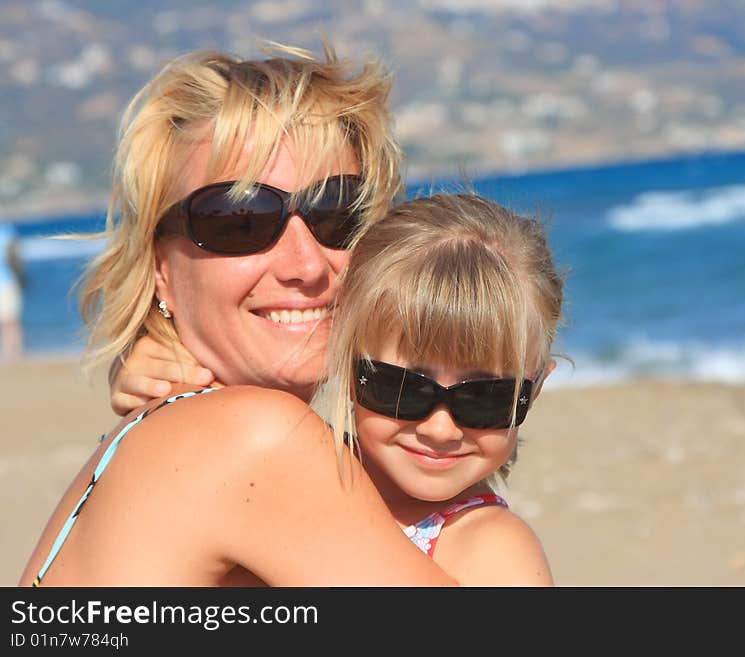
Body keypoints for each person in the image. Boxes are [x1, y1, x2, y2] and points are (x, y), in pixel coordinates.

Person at [20, 43, 455, 586]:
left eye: (338, 211)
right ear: (160, 268)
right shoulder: (254, 436)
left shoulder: (174, 431)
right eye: (239, 219)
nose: (305, 264)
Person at [117, 194, 565, 583]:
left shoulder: (493, 551)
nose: (440, 429)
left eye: (483, 398)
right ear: (345, 359)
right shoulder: (290, 462)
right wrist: (157, 371)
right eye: (402, 388)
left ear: (534, 390)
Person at [0, 222, 24, 361]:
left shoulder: (5, 231)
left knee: (10, 321)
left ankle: (12, 352)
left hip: (6, 281)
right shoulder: (6, 232)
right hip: (7, 282)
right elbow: (15, 259)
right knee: (11, 321)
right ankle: (14, 352)